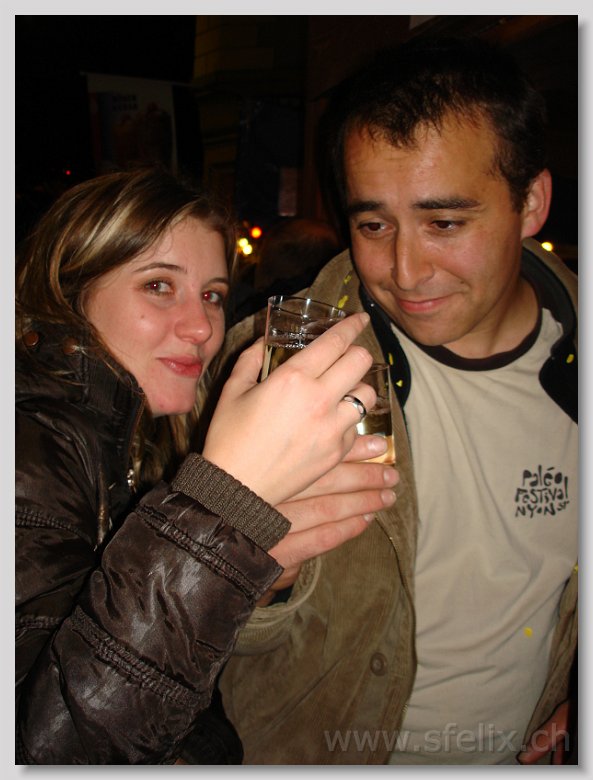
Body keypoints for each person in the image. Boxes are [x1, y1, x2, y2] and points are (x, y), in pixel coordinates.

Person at [211, 37, 578, 765]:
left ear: (531, 202)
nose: (405, 271)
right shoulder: (266, 372)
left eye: (445, 223)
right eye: (373, 224)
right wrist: (249, 576)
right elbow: (182, 643)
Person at [15, 167, 399, 764]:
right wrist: (216, 512)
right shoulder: (26, 443)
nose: (201, 328)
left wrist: (252, 577)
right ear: (70, 292)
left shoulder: (144, 444)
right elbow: (47, 747)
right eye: (159, 286)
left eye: (213, 295)